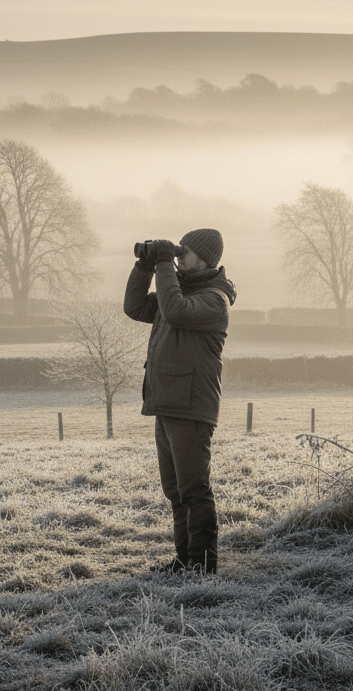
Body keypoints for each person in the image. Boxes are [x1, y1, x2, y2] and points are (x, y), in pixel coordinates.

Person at [123, 228, 236, 575]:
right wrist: (145, 265)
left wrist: (162, 264)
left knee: (193, 489)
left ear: (204, 258)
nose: (177, 256)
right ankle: (184, 559)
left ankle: (202, 565)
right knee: (175, 491)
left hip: (191, 407)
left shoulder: (214, 300)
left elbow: (173, 311)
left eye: (183, 252)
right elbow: (135, 306)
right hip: (168, 402)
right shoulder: (181, 293)